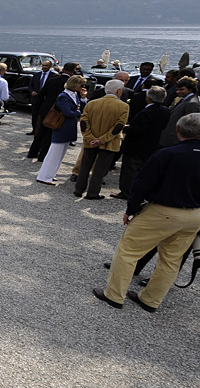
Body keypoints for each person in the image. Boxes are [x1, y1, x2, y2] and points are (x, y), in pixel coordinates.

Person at [94, 113, 200, 312]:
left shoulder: (167, 154)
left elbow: (142, 184)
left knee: (129, 250)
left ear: (178, 130)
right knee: (172, 259)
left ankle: (114, 295)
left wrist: (131, 209)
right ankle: (151, 300)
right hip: (195, 215)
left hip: (163, 210)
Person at [75, 79, 129, 200]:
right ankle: (93, 193)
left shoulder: (92, 103)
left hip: (90, 141)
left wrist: (90, 138)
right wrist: (102, 139)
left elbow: (84, 122)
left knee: (85, 167)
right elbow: (118, 126)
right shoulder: (124, 106)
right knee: (100, 170)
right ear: (119, 91)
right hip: (109, 143)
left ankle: (78, 189)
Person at [113, 85, 169, 200]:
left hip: (136, 145)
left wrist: (126, 128)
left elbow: (138, 130)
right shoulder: (165, 111)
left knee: (130, 169)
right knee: (143, 170)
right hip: (152, 144)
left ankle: (127, 191)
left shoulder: (147, 112)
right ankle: (139, 191)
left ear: (148, 97)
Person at [36, 75, 88, 185]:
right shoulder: (63, 96)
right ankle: (44, 176)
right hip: (61, 126)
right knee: (54, 153)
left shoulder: (74, 95)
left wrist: (83, 98)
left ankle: (50, 174)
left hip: (68, 126)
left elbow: (81, 108)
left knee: (60, 154)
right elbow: (68, 112)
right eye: (81, 85)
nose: (82, 87)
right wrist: (78, 113)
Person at [28, 62, 78, 161]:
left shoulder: (52, 80)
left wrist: (41, 106)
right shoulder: (70, 84)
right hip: (58, 111)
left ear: (63, 69)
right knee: (50, 133)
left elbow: (41, 94)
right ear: (73, 71)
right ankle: (43, 155)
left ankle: (32, 152)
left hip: (46, 108)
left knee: (41, 131)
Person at [158, 78, 199, 147]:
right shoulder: (184, 100)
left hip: (176, 139)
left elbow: (190, 125)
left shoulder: (192, 103)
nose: (178, 92)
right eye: (177, 89)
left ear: (190, 89)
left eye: (182, 89)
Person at [28, 58, 55, 135]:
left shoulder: (53, 76)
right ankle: (34, 130)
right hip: (36, 99)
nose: (44, 67)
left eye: (46, 66)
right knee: (35, 116)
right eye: (43, 65)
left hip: (46, 100)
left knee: (45, 115)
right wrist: (32, 91)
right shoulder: (37, 75)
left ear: (50, 66)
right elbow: (30, 85)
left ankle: (43, 131)